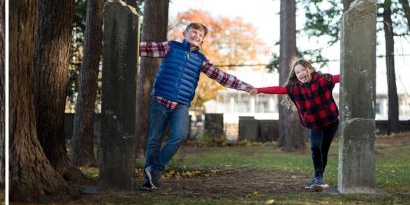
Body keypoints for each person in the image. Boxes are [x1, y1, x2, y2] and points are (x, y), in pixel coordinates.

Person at [139, 23, 257, 191]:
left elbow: (221, 77)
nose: (196, 36)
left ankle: (155, 169)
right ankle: (149, 180)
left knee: (179, 135)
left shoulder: (201, 60)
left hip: (181, 103)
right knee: (154, 139)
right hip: (160, 99)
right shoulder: (171, 47)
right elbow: (147, 48)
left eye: (200, 36)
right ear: (185, 34)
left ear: (202, 40)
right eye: (193, 33)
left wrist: (245, 86)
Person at [253, 59, 341, 191]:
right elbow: (278, 89)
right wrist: (258, 90)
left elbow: (340, 77)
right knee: (315, 148)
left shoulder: (323, 80)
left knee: (324, 149)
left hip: (331, 122)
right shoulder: (296, 89)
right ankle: (318, 177)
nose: (301, 74)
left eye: (303, 70)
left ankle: (318, 177)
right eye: (297, 72)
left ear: (309, 69)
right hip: (314, 124)